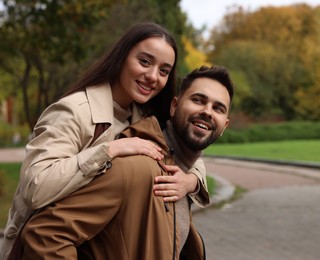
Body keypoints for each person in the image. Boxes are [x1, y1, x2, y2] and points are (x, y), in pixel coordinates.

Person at [1, 23, 209, 260]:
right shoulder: (74, 111)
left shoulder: (145, 117)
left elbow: (185, 150)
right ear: (122, 58)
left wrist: (191, 180)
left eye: (164, 71)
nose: (153, 76)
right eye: (144, 62)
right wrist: (109, 150)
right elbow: (35, 188)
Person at [19, 65, 234, 259]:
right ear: (174, 106)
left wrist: (193, 181)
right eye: (198, 100)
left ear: (224, 125)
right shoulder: (136, 166)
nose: (207, 111)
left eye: (218, 108)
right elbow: (46, 234)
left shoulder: (180, 175)